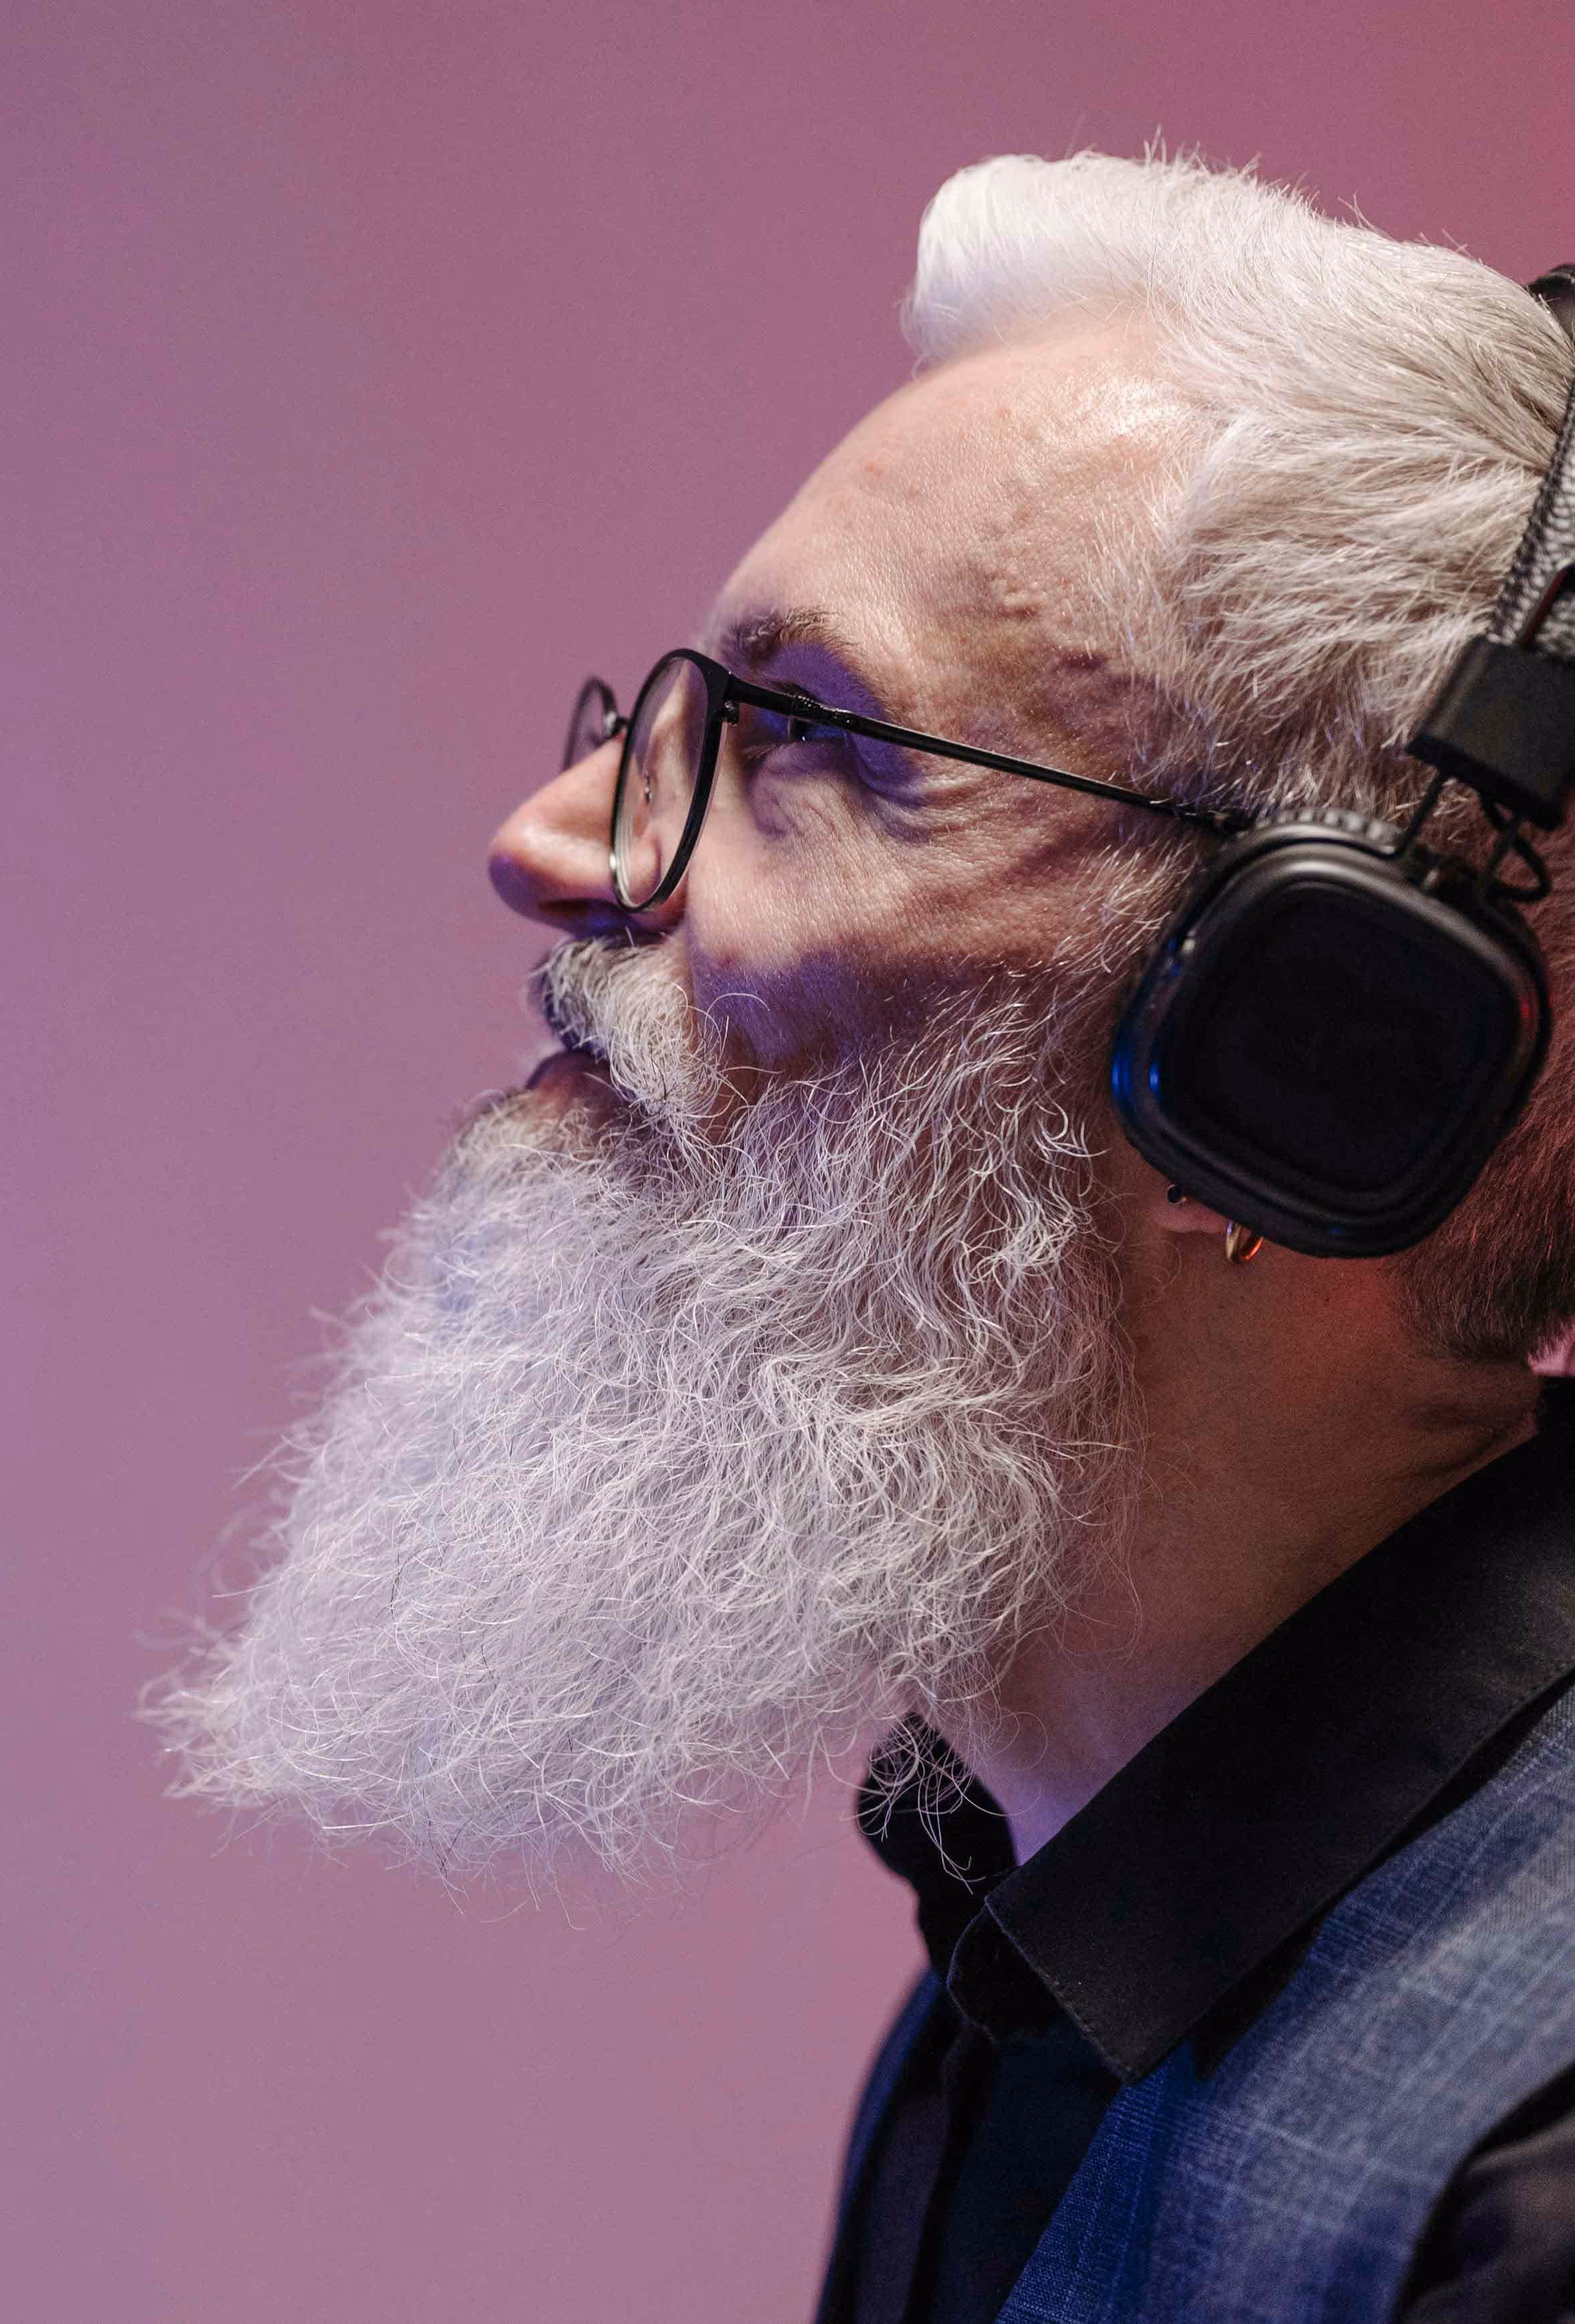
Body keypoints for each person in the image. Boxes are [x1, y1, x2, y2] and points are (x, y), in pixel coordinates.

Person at [152, 153, 1575, 2319]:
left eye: (810, 733)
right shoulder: (1031, 1953)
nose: (551, 838)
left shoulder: (1527, 2185)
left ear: (1316, 1045)